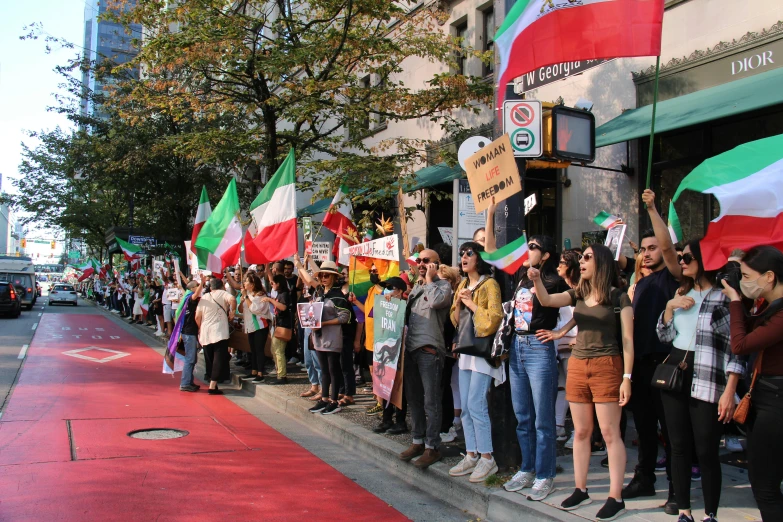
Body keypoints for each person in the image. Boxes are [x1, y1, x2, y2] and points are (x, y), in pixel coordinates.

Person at [533, 244, 634, 521]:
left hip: (607, 366)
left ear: (601, 262)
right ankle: (581, 488)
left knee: (610, 433)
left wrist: (627, 378)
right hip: (578, 364)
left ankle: (616, 496)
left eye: (587, 257)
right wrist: (536, 279)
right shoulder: (579, 292)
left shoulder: (618, 298)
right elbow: (547, 301)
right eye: (581, 258)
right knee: (580, 432)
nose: (582, 261)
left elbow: (628, 342)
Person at [656, 240, 744, 522]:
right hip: (676, 373)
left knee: (706, 449)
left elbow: (736, 348)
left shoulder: (723, 297)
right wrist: (670, 307)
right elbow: (664, 337)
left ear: (705, 260)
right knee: (678, 446)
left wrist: (730, 390)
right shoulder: (680, 292)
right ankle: (684, 511)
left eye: (688, 257)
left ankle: (710, 514)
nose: (681, 261)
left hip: (708, 376)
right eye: (680, 257)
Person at [498, 234, 568, 502]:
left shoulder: (553, 281)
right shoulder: (522, 278)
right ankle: (526, 468)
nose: (528, 250)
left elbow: (571, 304)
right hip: (517, 346)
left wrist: (559, 332)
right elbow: (494, 251)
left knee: (543, 419)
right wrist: (492, 211)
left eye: (534, 247)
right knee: (523, 415)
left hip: (539, 347)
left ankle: (544, 474)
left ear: (546, 255)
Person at [623, 189, 681, 509]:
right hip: (642, 365)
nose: (646, 253)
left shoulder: (674, 276)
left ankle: (677, 489)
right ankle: (645, 478)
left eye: (652, 247)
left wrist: (652, 208)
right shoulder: (642, 283)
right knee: (644, 427)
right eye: (643, 249)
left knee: (670, 432)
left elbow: (670, 247)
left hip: (667, 363)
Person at [722, 245, 783, 521]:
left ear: (769, 276)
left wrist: (735, 300)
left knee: (765, 485)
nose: (744, 282)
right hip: (768, 398)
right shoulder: (771, 307)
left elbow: (740, 343)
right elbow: (749, 327)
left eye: (746, 276)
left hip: (776, 403)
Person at [448, 242, 502, 483]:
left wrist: (470, 302)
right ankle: (471, 454)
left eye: (469, 253)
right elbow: (454, 319)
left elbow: (494, 319)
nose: (464, 257)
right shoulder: (461, 284)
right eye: (461, 254)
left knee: (476, 404)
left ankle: (487, 458)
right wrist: (459, 302)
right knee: (467, 409)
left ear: (479, 257)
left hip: (481, 352)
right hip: (466, 351)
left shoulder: (490, 284)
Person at [398, 249, 453, 469]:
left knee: (432, 401)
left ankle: (433, 447)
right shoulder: (417, 288)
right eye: (419, 260)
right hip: (411, 349)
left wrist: (430, 279)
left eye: (426, 261)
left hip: (430, 350)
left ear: (437, 264)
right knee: (414, 399)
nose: (421, 264)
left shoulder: (443, 286)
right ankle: (417, 441)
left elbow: (437, 303)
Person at [538, 248, 580, 448]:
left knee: (575, 389)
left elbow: (578, 317)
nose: (558, 266)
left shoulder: (580, 288)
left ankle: (579, 432)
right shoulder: (562, 287)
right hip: (560, 344)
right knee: (563, 386)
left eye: (563, 263)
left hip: (574, 345)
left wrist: (573, 337)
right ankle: (559, 426)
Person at [299, 260, 352, 415]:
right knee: (324, 370)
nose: (323, 278)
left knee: (333, 369)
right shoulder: (320, 293)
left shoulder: (338, 296)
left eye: (327, 275)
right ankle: (324, 398)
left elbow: (345, 317)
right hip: (319, 338)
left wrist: (324, 323)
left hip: (332, 337)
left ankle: (334, 401)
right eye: (321, 275)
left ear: (334, 277)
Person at [369, 277, 410, 434]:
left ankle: (400, 421)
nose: (387, 290)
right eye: (385, 287)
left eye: (391, 287)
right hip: (385, 351)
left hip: (400, 353)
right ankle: (386, 419)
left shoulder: (406, 305)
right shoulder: (382, 303)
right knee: (384, 382)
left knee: (399, 387)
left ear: (400, 291)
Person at [195, 277, 236, 395]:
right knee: (218, 357)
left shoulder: (204, 297)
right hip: (219, 331)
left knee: (209, 359)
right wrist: (232, 312)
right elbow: (232, 299)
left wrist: (199, 328)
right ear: (222, 285)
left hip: (205, 331)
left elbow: (197, 317)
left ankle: (212, 381)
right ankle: (212, 386)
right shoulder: (223, 293)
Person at [238, 272, 273, 383]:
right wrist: (243, 298)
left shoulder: (260, 295)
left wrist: (246, 297)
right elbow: (240, 309)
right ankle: (253, 370)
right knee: (252, 349)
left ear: (252, 284)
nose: (244, 283)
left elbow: (254, 309)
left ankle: (260, 373)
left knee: (259, 349)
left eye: (247, 281)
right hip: (250, 325)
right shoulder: (247, 294)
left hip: (260, 326)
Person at [264, 274, 293, 385]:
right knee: (274, 350)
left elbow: (283, 307)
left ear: (278, 283)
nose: (272, 285)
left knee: (278, 350)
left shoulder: (284, 294)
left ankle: (282, 376)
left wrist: (270, 300)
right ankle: (279, 373)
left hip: (283, 326)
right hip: (278, 325)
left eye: (273, 283)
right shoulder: (280, 294)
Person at [179, 280, 203, 392]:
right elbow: (196, 295)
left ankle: (189, 381)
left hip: (188, 332)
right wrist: (202, 283)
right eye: (197, 286)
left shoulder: (186, 297)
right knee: (190, 358)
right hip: (189, 333)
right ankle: (185, 383)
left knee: (192, 358)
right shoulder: (190, 298)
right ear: (193, 288)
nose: (199, 287)